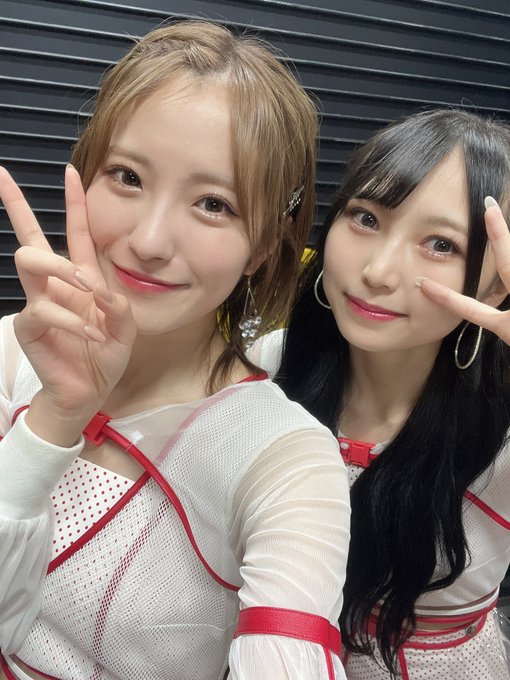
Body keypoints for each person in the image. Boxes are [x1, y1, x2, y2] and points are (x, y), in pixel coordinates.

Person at [0, 20, 351, 680]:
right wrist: (51, 420)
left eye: (214, 203)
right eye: (127, 176)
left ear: (264, 246)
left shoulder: (284, 459)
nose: (150, 241)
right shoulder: (12, 353)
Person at [250, 108, 510, 678]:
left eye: (440, 244)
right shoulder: (267, 366)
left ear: (494, 288)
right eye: (365, 218)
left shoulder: (503, 435)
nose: (379, 271)